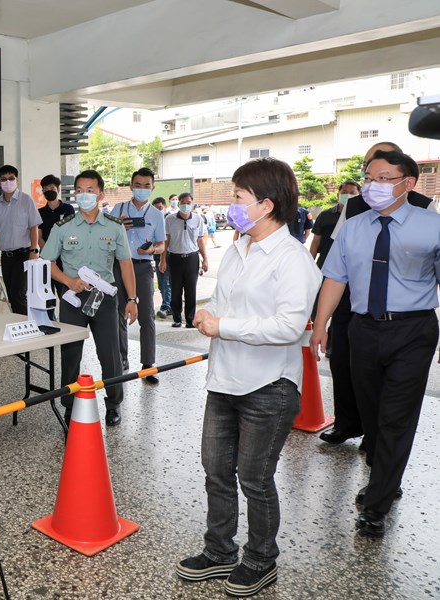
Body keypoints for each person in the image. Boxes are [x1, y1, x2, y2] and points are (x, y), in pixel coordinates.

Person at [177, 158, 321, 596]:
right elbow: (236, 309)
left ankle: (261, 560)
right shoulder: (239, 249)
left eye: (238, 198)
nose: (232, 206)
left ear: (266, 204)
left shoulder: (292, 259)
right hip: (224, 381)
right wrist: (212, 317)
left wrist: (225, 327)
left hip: (268, 387)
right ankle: (219, 550)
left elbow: (288, 327)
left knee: (254, 478)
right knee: (216, 471)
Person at [311, 150, 440, 537]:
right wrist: (321, 325)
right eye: (371, 178)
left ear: (408, 183)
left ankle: (377, 504)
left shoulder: (432, 227)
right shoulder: (354, 226)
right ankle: (385, 475)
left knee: (396, 418)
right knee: (372, 414)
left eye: (385, 178)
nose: (375, 185)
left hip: (412, 331)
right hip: (363, 330)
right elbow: (335, 277)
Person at [41, 170, 137, 426]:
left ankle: (114, 404)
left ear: (101, 194)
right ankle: (69, 407)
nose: (84, 195)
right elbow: (46, 262)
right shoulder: (63, 227)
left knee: (111, 354)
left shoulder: (114, 227)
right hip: (73, 298)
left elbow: (125, 263)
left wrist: (132, 299)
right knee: (71, 356)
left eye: (90, 190)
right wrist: (68, 280)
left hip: (105, 299)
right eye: (80, 191)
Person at [311, 181, 363, 446]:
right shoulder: (350, 209)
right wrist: (321, 322)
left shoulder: (422, 211)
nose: (373, 182)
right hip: (344, 293)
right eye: (369, 172)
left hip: (386, 309)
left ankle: (375, 434)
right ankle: (346, 424)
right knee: (340, 361)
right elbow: (336, 263)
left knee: (372, 373)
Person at [112, 168, 165, 382]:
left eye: (146, 186)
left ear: (152, 188)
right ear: (130, 186)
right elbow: (104, 238)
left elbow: (161, 245)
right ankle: (121, 358)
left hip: (143, 267)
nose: (142, 189)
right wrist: (117, 227)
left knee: (146, 316)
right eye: (138, 185)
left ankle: (148, 364)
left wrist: (151, 250)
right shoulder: (118, 209)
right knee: (118, 314)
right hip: (118, 266)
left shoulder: (156, 214)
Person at [0, 165, 42, 315]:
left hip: (24, 254)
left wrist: (34, 250)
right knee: (11, 295)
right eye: (4, 179)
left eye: (11, 178)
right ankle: (21, 324)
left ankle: (27, 327)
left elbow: (34, 227)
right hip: (6, 257)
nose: (7, 182)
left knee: (19, 295)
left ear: (17, 180)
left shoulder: (26, 200)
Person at [160, 193, 208, 328]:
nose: (186, 205)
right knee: (175, 290)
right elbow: (166, 240)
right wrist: (162, 260)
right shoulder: (169, 219)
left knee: (191, 290)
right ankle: (176, 318)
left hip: (192, 258)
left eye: (188, 202)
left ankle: (189, 319)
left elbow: (200, 240)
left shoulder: (198, 219)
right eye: (183, 202)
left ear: (192, 203)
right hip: (175, 258)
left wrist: (205, 259)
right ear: (178, 204)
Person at [37, 174, 75, 319]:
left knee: (65, 296)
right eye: (45, 189)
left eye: (52, 188)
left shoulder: (68, 209)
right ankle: (49, 326)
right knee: (47, 298)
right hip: (46, 261)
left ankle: (68, 324)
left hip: (64, 261)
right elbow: (39, 237)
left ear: (58, 190)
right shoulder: (40, 212)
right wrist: (49, 252)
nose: (49, 191)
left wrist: (57, 251)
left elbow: (71, 234)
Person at [151, 197, 172, 319]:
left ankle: (166, 307)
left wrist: (163, 259)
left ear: (165, 207)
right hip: (157, 257)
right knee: (160, 284)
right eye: (155, 209)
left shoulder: (168, 220)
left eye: (160, 208)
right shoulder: (153, 221)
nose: (158, 211)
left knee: (166, 283)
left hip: (167, 256)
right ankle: (169, 304)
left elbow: (166, 241)